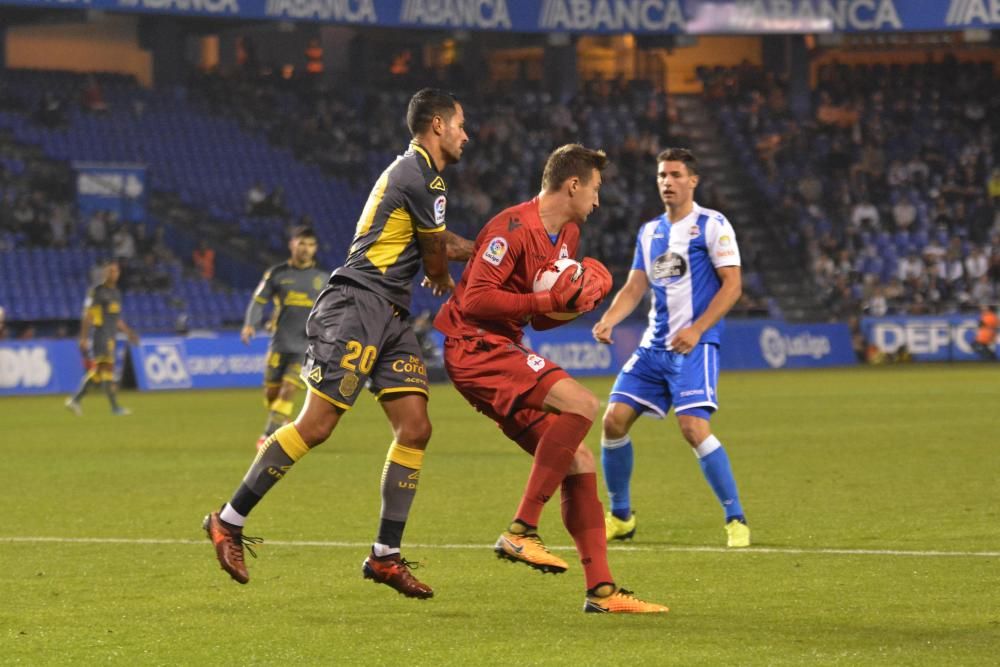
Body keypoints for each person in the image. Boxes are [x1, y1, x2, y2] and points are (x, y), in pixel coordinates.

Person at [204, 88, 473, 599]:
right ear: (437, 125)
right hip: (358, 303)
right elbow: (436, 258)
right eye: (460, 124)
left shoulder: (417, 176)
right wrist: (448, 274)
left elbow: (440, 242)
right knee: (318, 424)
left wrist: (486, 252)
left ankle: (385, 557)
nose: (466, 134)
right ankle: (228, 520)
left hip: (391, 314)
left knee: (415, 428)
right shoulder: (421, 175)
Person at [434, 144, 668, 614]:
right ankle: (521, 530)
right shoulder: (510, 229)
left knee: (579, 460)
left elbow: (541, 321)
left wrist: (579, 302)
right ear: (573, 185)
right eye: (595, 189)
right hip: (474, 345)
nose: (598, 201)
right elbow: (477, 300)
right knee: (582, 405)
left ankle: (601, 591)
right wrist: (548, 302)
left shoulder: (569, 236)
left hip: (504, 345)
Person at [592, 148, 750, 548]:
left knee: (693, 428)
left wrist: (697, 329)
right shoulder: (649, 232)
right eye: (662, 175)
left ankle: (736, 519)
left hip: (694, 346)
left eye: (675, 175)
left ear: (692, 181)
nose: (667, 181)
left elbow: (732, 286)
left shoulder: (712, 225)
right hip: (653, 348)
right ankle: (621, 516)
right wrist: (610, 318)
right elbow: (634, 286)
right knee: (612, 420)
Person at [240, 226, 326, 449]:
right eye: (301, 243)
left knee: (289, 389)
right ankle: (283, 422)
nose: (306, 249)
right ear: (292, 244)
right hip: (279, 343)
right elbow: (259, 301)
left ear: (315, 248)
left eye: (310, 244)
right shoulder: (277, 274)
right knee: (272, 394)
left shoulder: (323, 278)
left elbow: (333, 310)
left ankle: (267, 436)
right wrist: (250, 324)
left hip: (306, 346)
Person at [65, 259, 139, 416]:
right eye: (110, 271)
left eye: (116, 271)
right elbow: (87, 315)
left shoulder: (116, 293)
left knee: (99, 372)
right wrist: (83, 338)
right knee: (106, 370)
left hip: (111, 337)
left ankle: (75, 400)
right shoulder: (97, 291)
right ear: (105, 272)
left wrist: (129, 333)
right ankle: (114, 407)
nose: (113, 274)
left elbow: (116, 319)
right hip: (100, 336)